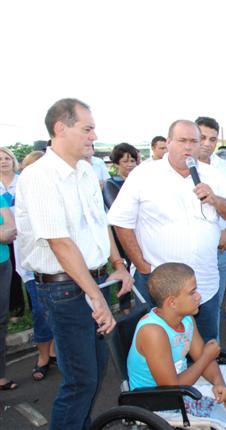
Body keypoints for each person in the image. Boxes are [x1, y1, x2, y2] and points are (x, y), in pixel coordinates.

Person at [15, 98, 133, 429]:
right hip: (66, 290)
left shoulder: (85, 171)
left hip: (94, 283)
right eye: (87, 129)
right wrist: (95, 296)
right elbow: (60, 243)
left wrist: (118, 263)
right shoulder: (39, 176)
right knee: (81, 380)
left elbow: (100, 224)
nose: (94, 136)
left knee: (94, 373)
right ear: (60, 128)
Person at [108, 120, 226, 344]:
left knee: (206, 345)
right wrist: (141, 265)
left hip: (204, 284)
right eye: (182, 140)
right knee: (161, 348)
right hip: (159, 284)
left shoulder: (213, 175)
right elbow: (121, 221)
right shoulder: (144, 174)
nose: (188, 147)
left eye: (194, 141)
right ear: (169, 142)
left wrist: (215, 199)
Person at [127, 263, 226, 430]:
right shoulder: (153, 332)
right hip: (158, 400)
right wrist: (207, 357)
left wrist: (219, 384)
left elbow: (202, 358)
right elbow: (171, 388)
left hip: (180, 385)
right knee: (218, 405)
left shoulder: (186, 319)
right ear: (172, 302)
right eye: (192, 292)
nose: (198, 296)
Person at [195, 116, 226, 340]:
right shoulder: (177, 167)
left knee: (213, 303)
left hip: (221, 248)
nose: (207, 143)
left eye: (212, 139)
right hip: (190, 251)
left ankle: (210, 351)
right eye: (202, 137)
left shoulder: (224, 168)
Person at [14, 150, 56, 381]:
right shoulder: (27, 195)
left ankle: (55, 352)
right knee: (41, 314)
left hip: (61, 271)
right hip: (35, 270)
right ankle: (42, 357)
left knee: (59, 316)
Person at [103, 143, 139, 313]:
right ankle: (125, 305)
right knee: (124, 266)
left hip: (141, 233)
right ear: (116, 163)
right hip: (120, 234)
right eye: (125, 161)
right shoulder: (111, 184)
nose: (130, 164)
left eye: (133, 160)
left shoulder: (141, 181)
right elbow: (117, 209)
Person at [0, 147, 26, 322]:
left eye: (6, 158)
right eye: (0, 159)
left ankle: (30, 305)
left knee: (24, 269)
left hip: (23, 231)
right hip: (5, 235)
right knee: (11, 271)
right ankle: (15, 308)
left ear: (13, 161)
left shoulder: (22, 180)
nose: (3, 161)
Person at [0, 194, 17, 390]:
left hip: (2, 263)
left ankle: (0, 375)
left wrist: (3, 233)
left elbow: (11, 230)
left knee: (1, 321)